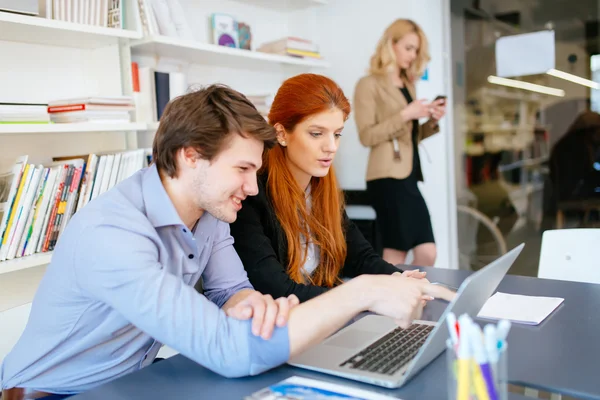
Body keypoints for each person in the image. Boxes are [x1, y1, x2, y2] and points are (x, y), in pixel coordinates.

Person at [0, 85, 454, 399]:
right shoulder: (112, 235)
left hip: (131, 381)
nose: (253, 189)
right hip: (58, 393)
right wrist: (364, 291)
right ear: (190, 156)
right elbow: (229, 350)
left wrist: (247, 304)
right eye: (241, 170)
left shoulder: (210, 214)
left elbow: (228, 291)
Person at [230, 73, 428, 302]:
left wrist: (397, 278)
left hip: (321, 320)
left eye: (337, 134)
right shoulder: (251, 194)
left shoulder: (321, 188)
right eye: (316, 134)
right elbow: (279, 290)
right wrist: (366, 297)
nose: (331, 147)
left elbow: (359, 256)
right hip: (283, 326)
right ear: (282, 133)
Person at [353, 18, 447, 267]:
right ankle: (393, 301)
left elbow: (408, 138)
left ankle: (414, 296)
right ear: (390, 45)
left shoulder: (408, 84)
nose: (413, 55)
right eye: (408, 48)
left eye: (416, 50)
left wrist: (431, 121)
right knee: (396, 253)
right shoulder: (368, 84)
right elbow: (367, 135)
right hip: (386, 178)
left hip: (408, 176)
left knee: (427, 252)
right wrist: (406, 114)